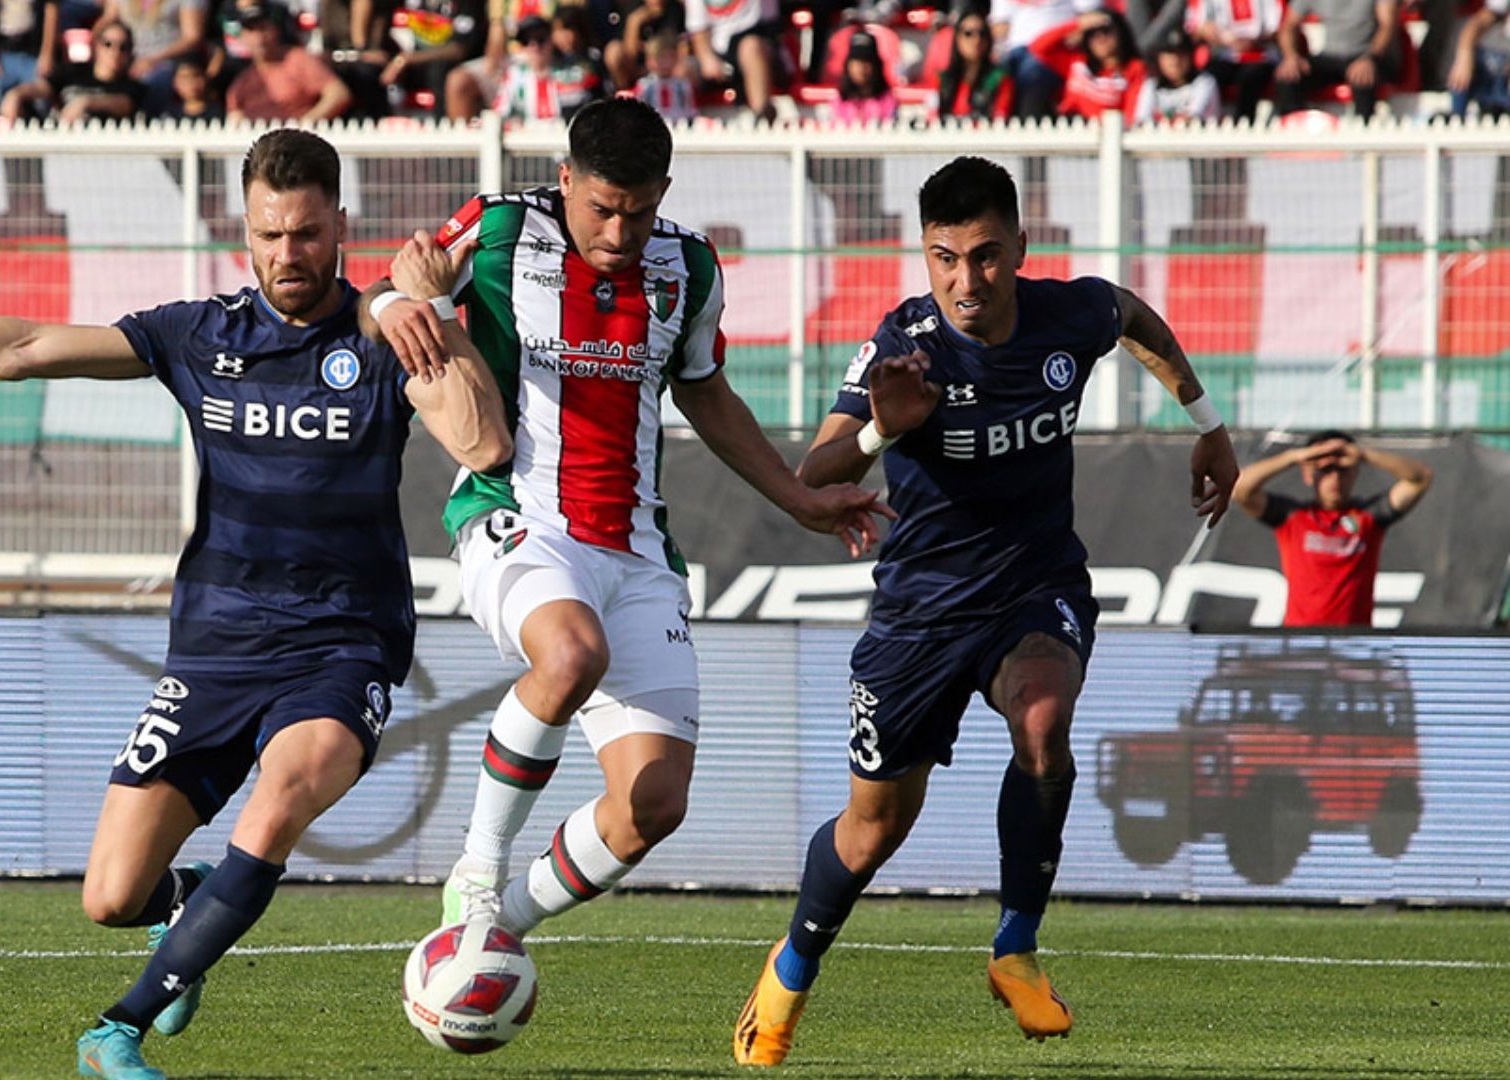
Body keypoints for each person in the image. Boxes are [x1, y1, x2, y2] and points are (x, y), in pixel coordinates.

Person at [0, 128, 512, 1080]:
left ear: (340, 227)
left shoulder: (386, 334)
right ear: (245, 230)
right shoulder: (201, 336)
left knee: (281, 797)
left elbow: (484, 447)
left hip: (341, 647)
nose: (289, 255)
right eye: (272, 234)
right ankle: (196, 898)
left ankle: (117, 1027)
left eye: (309, 233)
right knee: (113, 896)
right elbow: (22, 348)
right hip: (214, 651)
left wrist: (430, 316)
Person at [732, 155, 1240, 1065]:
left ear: (1020, 247)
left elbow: (1130, 314)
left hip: (1032, 587)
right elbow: (813, 480)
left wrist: (1207, 423)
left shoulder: (1068, 315)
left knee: (1044, 723)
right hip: (919, 615)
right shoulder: (903, 345)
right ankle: (793, 965)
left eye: (988, 256)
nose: (968, 281)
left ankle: (1015, 948)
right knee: (874, 829)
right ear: (923, 257)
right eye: (945, 259)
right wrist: (885, 426)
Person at [365, 99, 891, 947]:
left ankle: (502, 932)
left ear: (664, 194)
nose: (618, 231)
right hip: (518, 517)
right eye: (602, 208)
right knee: (571, 654)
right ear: (566, 180)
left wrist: (798, 497)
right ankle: (476, 873)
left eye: (638, 212)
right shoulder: (499, 230)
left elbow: (705, 389)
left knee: (653, 805)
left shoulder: (688, 268)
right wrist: (396, 303)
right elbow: (387, 287)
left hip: (638, 548)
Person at [1232, 431, 1433, 627]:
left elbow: (1420, 479)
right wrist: (1295, 457)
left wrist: (1364, 455)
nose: (1335, 479)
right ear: (1309, 474)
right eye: (1326, 470)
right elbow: (1241, 489)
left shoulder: (1369, 516)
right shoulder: (1293, 517)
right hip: (1301, 645)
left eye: (1342, 470)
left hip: (1353, 645)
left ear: (1355, 472)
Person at [224, 2, 352, 122]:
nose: (259, 38)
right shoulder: (244, 79)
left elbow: (338, 94)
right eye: (251, 30)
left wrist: (306, 124)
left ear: (276, 30)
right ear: (242, 37)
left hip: (296, 139)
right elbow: (234, 112)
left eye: (263, 28)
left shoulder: (298, 60)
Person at [1273, 0, 1399, 121]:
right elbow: (1288, 26)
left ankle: (1365, 130)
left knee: (1363, 77)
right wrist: (1291, 57)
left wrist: (1369, 58)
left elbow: (1387, 26)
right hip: (1330, 56)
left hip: (1368, 54)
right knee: (1289, 76)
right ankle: (1292, 127)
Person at [1, 21, 147, 123]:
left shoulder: (131, 86)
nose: (115, 52)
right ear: (96, 46)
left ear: (130, 53)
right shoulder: (74, 71)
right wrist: (16, 94)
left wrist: (86, 102)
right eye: (108, 44)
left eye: (123, 47)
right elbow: (43, 87)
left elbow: (126, 104)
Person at [1027, 7, 1147, 121]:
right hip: (1069, 128)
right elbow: (1037, 47)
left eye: (1106, 31)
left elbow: (1132, 112)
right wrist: (1078, 24)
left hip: (1106, 134)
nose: (1100, 38)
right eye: (1092, 34)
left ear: (1120, 33)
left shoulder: (1134, 69)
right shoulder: (1076, 61)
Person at [932, 8, 1015, 122]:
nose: (976, 40)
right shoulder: (942, 79)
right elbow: (932, 116)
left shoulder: (1000, 78)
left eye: (982, 33)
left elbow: (1000, 118)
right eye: (968, 33)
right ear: (957, 38)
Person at [1133, 25, 1220, 122]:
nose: (1175, 61)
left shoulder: (1204, 82)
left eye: (1181, 54)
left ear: (1190, 57)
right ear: (1159, 59)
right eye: (1169, 55)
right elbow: (1141, 121)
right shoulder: (1152, 85)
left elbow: (1192, 119)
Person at [1448, 0, 1510, 117]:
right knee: (1461, 76)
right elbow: (1477, 23)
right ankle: (1457, 117)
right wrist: (1464, 55)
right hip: (1492, 72)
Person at [831, 29, 898, 123]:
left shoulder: (887, 99)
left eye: (866, 62)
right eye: (856, 63)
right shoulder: (840, 99)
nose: (861, 68)